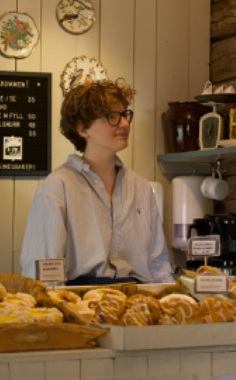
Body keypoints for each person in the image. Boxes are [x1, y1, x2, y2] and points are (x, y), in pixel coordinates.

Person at [20, 79, 173, 284]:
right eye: (112, 117)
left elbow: (158, 264)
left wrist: (168, 297)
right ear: (82, 129)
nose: (124, 124)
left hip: (139, 298)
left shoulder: (141, 187)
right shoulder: (57, 187)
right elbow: (42, 271)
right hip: (80, 299)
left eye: (125, 115)